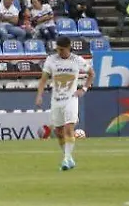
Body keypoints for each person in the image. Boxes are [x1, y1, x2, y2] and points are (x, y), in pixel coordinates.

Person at [34, 35, 94, 172]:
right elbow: (43, 79)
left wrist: (84, 89)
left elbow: (91, 73)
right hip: (56, 100)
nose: (59, 52)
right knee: (59, 132)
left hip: (71, 99)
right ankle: (69, 158)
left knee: (68, 128)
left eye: (61, 49)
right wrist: (39, 95)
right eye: (57, 49)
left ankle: (66, 159)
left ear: (68, 48)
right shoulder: (51, 60)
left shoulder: (77, 60)